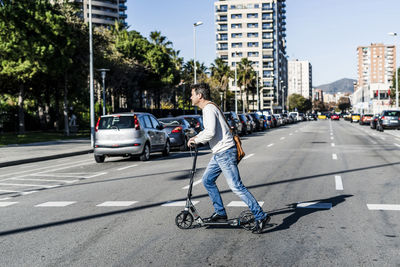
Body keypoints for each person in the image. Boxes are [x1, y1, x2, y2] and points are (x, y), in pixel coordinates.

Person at [187, 83, 270, 234]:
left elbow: (211, 132)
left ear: (199, 96)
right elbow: (209, 131)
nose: (190, 97)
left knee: (236, 186)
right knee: (207, 180)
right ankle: (220, 213)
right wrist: (196, 137)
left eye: (192, 94)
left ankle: (260, 215)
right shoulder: (211, 108)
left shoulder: (208, 109)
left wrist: (195, 140)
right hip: (220, 153)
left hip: (225, 152)